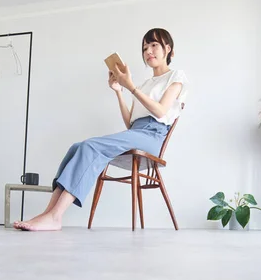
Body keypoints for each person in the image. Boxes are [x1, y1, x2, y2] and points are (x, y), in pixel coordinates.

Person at [14, 28, 189, 231]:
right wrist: (119, 92)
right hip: (136, 132)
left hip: (153, 136)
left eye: (154, 45)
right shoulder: (145, 84)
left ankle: (56, 216)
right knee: (77, 147)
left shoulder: (176, 76)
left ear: (168, 48)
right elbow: (130, 124)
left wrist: (131, 87)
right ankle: (48, 213)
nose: (148, 51)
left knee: (90, 146)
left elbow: (160, 111)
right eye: (144, 47)